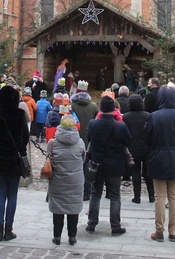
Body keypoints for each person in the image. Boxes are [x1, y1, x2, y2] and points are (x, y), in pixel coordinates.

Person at [145, 86, 175, 242]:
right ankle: (173, 231)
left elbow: (147, 138)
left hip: (158, 157)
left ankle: (159, 230)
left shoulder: (154, 116)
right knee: (173, 196)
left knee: (159, 196)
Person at [0, 85, 29, 241]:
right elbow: (25, 137)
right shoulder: (19, 114)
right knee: (12, 194)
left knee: (1, 193)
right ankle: (8, 230)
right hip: (14, 159)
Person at [85, 96, 132, 236]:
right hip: (115, 164)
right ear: (113, 110)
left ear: (101, 109)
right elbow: (128, 141)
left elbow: (90, 139)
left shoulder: (93, 124)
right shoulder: (121, 126)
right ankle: (115, 226)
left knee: (95, 194)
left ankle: (91, 223)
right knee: (115, 196)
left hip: (97, 164)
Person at [47, 114, 86, 246]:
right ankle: (72, 237)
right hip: (75, 180)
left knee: (58, 209)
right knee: (73, 209)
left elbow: (48, 159)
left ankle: (57, 236)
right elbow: (83, 159)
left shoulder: (53, 143)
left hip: (58, 180)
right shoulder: (80, 142)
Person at [123, 93, 154, 204]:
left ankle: (137, 197)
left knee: (135, 172)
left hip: (132, 148)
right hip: (147, 147)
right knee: (148, 172)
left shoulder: (125, 117)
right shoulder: (148, 116)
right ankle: (151, 195)